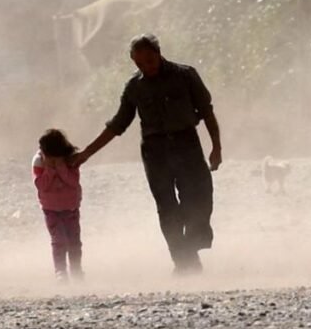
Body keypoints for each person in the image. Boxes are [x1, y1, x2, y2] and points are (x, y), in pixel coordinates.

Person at [73, 34, 222, 275]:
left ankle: (190, 249)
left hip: (187, 145)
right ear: (134, 63)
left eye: (150, 60)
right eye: (140, 64)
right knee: (167, 207)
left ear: (159, 53)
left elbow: (206, 111)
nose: (147, 67)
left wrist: (217, 146)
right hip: (155, 151)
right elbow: (118, 124)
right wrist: (87, 153)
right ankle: (182, 262)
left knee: (200, 198)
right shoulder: (135, 87)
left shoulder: (185, 75)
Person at [33, 129, 83, 282]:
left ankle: (76, 270)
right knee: (59, 240)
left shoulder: (70, 160)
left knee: (74, 240)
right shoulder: (39, 161)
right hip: (51, 209)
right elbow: (41, 185)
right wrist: (49, 169)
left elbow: (72, 182)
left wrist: (60, 167)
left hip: (71, 207)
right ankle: (60, 272)